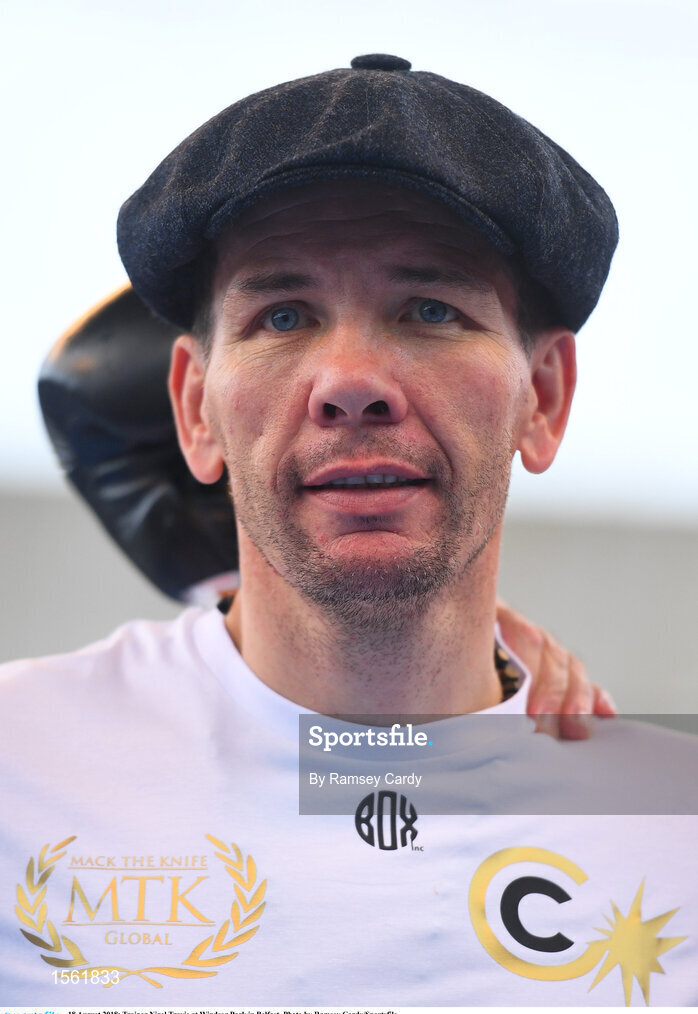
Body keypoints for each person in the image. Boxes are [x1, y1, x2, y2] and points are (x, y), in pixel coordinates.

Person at [0, 55, 695, 1007]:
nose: (350, 380)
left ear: (543, 397)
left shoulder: (677, 828)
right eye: (283, 315)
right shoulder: (18, 769)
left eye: (431, 310)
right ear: (195, 409)